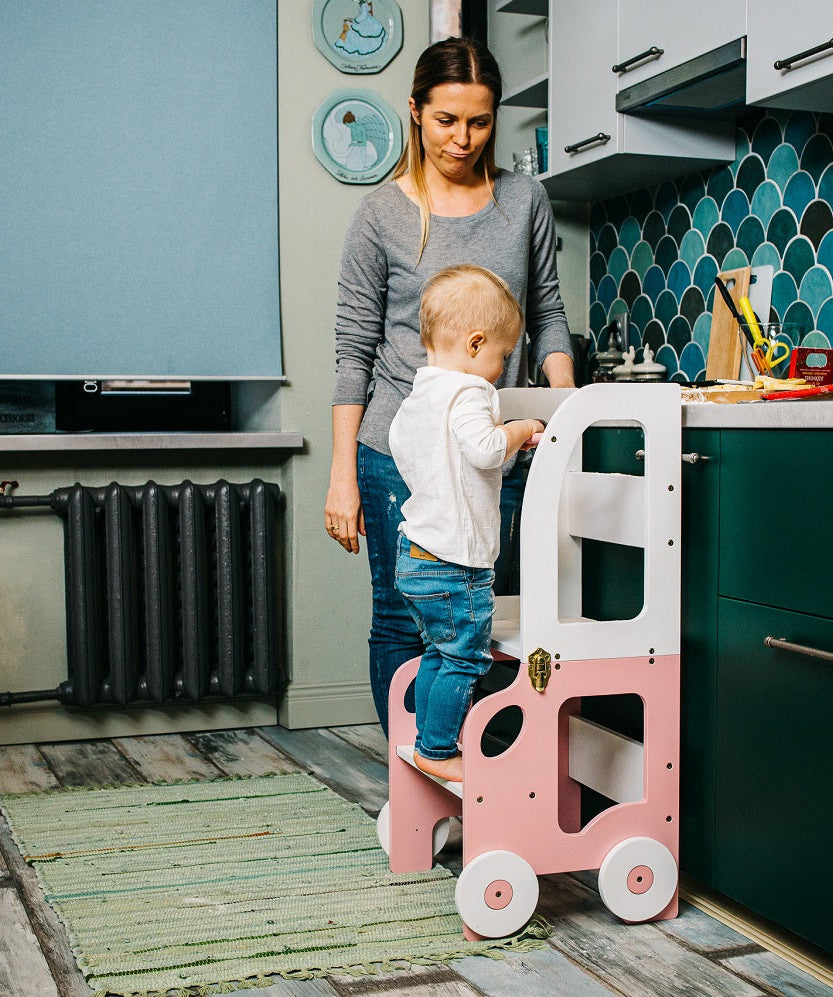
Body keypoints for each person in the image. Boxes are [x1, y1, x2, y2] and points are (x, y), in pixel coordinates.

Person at [325, 36, 575, 736]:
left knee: (484, 614)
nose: (463, 139)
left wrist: (565, 408)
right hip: (397, 455)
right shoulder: (381, 214)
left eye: (480, 121)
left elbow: (548, 314)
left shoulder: (524, 200)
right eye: (446, 121)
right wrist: (343, 476)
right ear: (414, 113)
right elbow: (353, 352)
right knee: (402, 613)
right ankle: (416, 784)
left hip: (503, 447)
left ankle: (480, 782)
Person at [390, 265, 544, 782]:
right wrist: (520, 428)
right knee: (466, 659)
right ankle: (437, 750)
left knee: (439, 651)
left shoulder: (419, 396)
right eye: (502, 356)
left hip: (415, 555)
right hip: (455, 564)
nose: (501, 368)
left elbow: (434, 455)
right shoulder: (469, 392)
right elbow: (483, 448)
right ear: (476, 344)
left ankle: (427, 742)